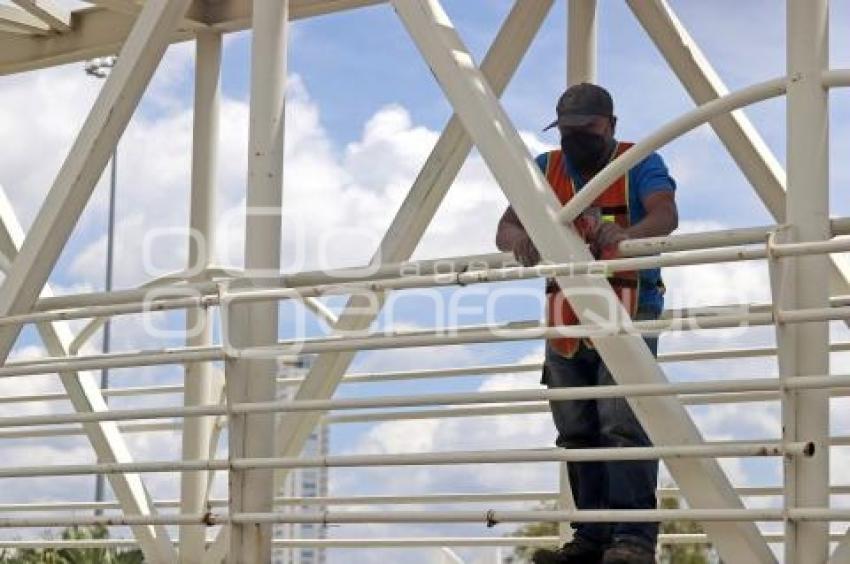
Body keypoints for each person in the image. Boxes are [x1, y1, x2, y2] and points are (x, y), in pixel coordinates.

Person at [495, 83, 678, 564]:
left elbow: (665, 214)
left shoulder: (637, 160)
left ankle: (632, 539)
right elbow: (506, 227)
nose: (577, 139)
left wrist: (628, 236)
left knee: (623, 421)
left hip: (629, 303)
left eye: (587, 129)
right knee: (576, 427)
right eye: (569, 131)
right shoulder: (546, 167)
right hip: (566, 311)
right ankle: (592, 538)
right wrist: (522, 239)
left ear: (610, 126)